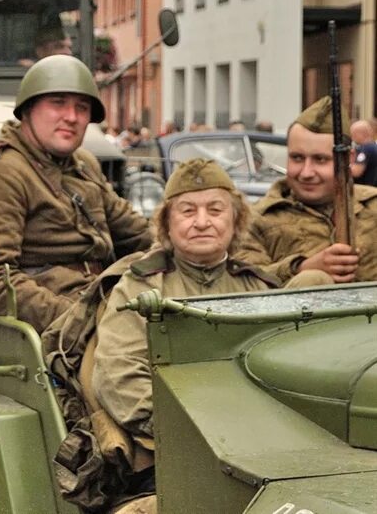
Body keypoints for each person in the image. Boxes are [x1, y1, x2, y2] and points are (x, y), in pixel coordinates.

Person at [77, 159, 325, 514]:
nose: (202, 221)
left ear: (236, 219)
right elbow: (119, 378)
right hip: (168, 455)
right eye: (187, 210)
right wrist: (205, 433)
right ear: (166, 222)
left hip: (258, 451)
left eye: (215, 209)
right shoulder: (141, 286)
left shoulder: (255, 286)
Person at [0, 54, 152, 334]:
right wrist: (78, 318)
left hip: (104, 301)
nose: (71, 117)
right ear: (28, 109)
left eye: (82, 108)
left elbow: (137, 232)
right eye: (58, 103)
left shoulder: (83, 166)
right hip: (53, 328)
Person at [236, 96, 377, 282]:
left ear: (349, 159)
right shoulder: (255, 219)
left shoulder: (373, 208)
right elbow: (245, 283)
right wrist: (299, 268)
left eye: (320, 159)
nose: (306, 172)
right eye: (297, 158)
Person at [351, 119, 377, 187]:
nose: (352, 137)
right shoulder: (373, 146)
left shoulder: (366, 149)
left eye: (353, 134)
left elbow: (356, 172)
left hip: (365, 190)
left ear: (361, 134)